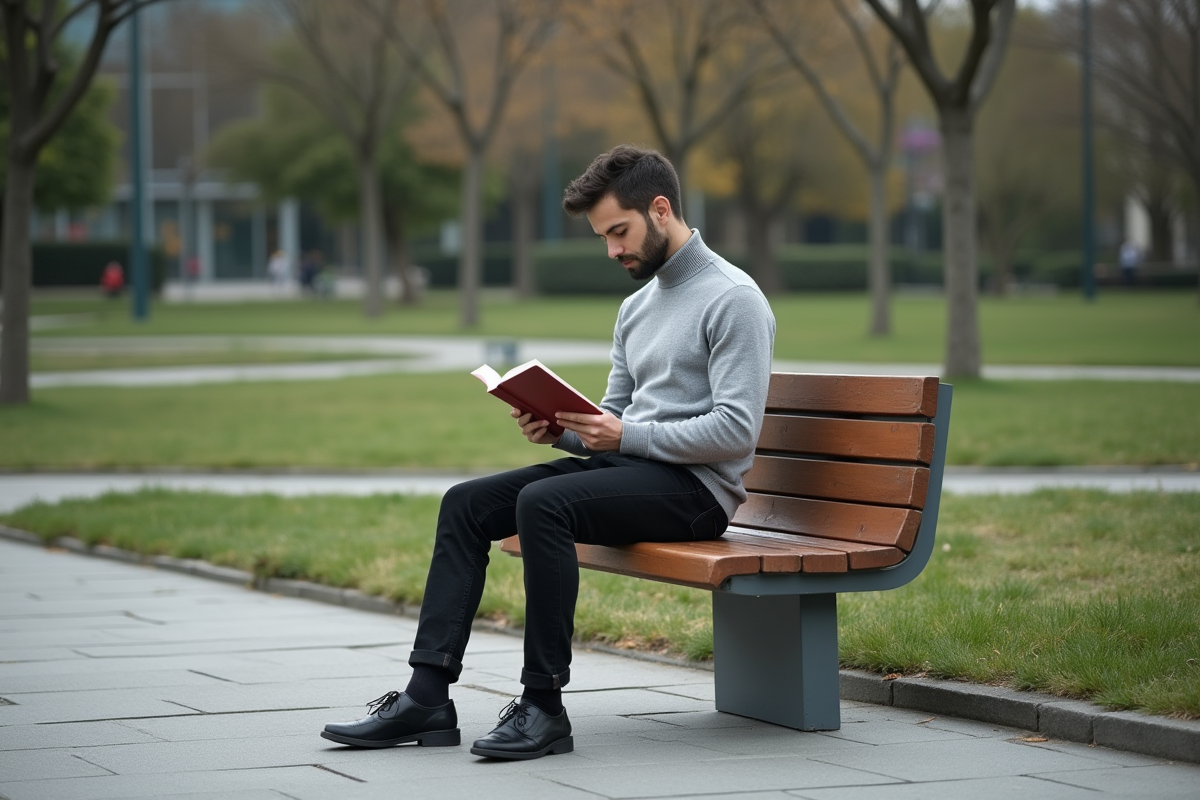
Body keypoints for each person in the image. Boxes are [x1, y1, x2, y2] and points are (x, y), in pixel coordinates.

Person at [320, 144, 776, 760]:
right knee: (465, 503)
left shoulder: (733, 298)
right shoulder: (637, 307)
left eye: (620, 231)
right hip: (631, 471)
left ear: (661, 209)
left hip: (696, 494)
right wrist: (561, 429)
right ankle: (426, 695)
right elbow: (611, 417)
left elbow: (736, 431)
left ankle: (543, 706)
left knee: (544, 504)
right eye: (603, 237)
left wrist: (625, 437)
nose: (613, 250)